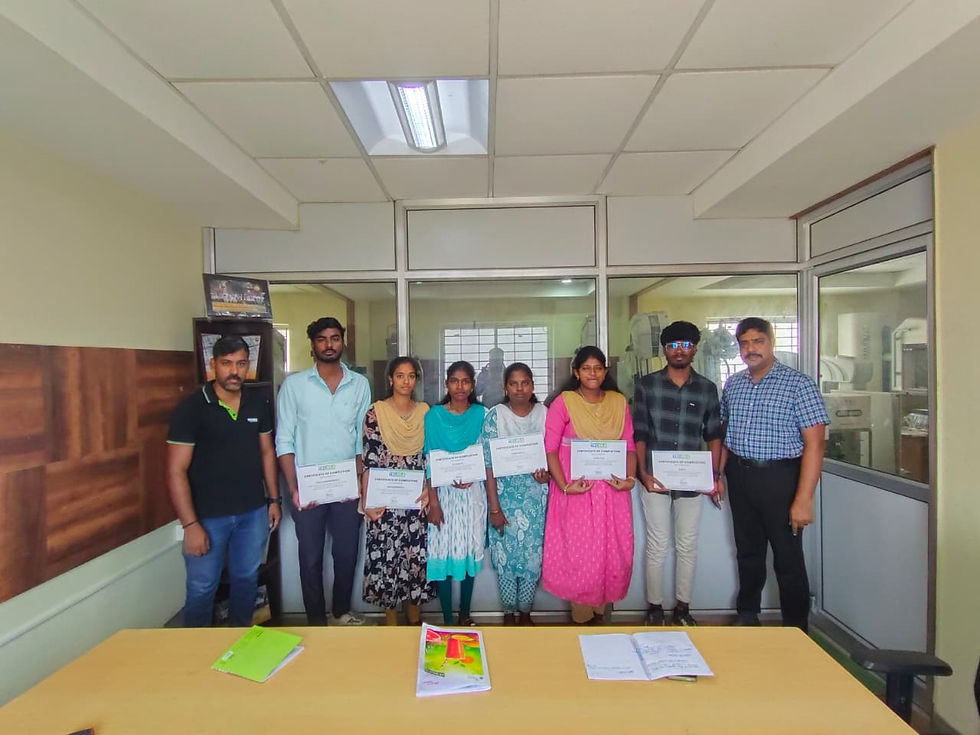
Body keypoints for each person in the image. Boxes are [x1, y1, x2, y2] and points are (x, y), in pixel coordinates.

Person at [720, 317, 829, 631]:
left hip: (781, 480)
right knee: (748, 552)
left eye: (758, 341)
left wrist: (804, 499)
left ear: (771, 342)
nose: (750, 349)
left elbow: (815, 444)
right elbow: (727, 434)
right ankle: (747, 615)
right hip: (740, 476)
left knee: (787, 558)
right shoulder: (734, 384)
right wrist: (718, 475)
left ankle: (796, 628)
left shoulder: (798, 384)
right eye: (744, 343)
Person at [166, 335, 281, 627]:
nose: (235, 371)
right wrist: (190, 525)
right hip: (207, 517)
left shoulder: (258, 403)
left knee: (246, 580)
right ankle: (196, 656)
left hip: (252, 512)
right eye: (227, 363)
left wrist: (273, 499)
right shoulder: (191, 408)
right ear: (212, 365)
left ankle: (239, 645)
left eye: (241, 363)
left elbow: (267, 452)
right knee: (202, 588)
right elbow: (175, 471)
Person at [276, 317, 371, 626]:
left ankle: (341, 612)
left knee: (346, 555)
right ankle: (316, 621)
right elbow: (284, 439)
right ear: (312, 345)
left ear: (343, 341)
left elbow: (361, 437)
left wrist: (360, 482)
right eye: (322, 339)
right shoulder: (294, 385)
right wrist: (293, 487)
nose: (329, 344)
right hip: (307, 486)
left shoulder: (359, 384)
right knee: (310, 558)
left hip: (347, 486)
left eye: (334, 338)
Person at [632, 321, 724, 626]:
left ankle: (683, 608)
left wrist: (715, 476)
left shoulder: (707, 388)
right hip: (655, 478)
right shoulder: (647, 386)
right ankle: (655, 608)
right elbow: (640, 433)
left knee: (687, 543)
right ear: (664, 351)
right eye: (672, 346)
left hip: (693, 479)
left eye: (684, 344)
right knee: (657, 544)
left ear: (695, 348)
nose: (679, 351)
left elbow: (713, 435)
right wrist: (643, 474)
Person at [541, 346, 637, 625]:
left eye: (597, 368)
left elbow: (629, 446)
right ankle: (581, 620)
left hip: (612, 491)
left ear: (605, 371)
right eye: (586, 368)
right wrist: (564, 485)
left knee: (611, 552)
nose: (592, 373)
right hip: (577, 491)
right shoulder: (564, 402)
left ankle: (601, 616)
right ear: (576, 372)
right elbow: (550, 450)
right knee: (581, 553)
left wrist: (629, 479)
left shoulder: (618, 402)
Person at [360, 356, 434, 625]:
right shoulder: (375, 412)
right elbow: (369, 460)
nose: (406, 381)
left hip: (417, 502)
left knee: (415, 561)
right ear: (390, 379)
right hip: (385, 503)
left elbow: (432, 457)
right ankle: (391, 626)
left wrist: (429, 490)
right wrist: (368, 503)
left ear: (416, 379)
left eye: (411, 375)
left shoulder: (426, 412)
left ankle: (415, 624)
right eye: (400, 375)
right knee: (386, 563)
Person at [482, 363, 550, 626]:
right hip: (504, 500)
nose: (520, 389)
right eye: (514, 383)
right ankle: (509, 614)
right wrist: (494, 509)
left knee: (532, 560)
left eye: (525, 383)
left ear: (533, 386)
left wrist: (547, 475)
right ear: (505, 388)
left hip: (536, 501)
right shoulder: (495, 417)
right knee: (506, 561)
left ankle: (526, 614)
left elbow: (553, 457)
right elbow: (487, 465)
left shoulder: (545, 414)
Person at [425, 361, 487, 626]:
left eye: (465, 381)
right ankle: (448, 619)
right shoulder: (434, 416)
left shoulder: (482, 414)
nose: (460, 386)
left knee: (470, 548)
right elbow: (429, 458)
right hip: (443, 496)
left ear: (472, 385)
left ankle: (464, 615)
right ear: (446, 384)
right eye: (454, 380)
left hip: (472, 493)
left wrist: (472, 477)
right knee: (445, 553)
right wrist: (434, 503)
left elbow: (486, 455)